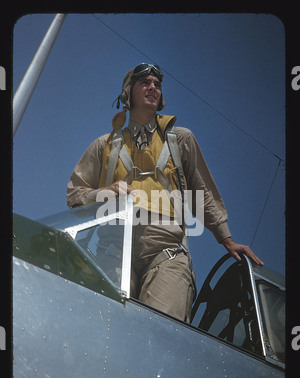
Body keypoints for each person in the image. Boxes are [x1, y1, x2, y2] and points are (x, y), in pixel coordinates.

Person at [66, 63, 263, 323]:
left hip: (166, 248)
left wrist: (225, 238)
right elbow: (74, 195)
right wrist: (104, 192)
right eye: (144, 83)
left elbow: (202, 190)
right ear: (128, 93)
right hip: (113, 246)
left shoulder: (180, 139)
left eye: (157, 85)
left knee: (160, 331)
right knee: (101, 326)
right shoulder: (103, 145)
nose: (152, 88)